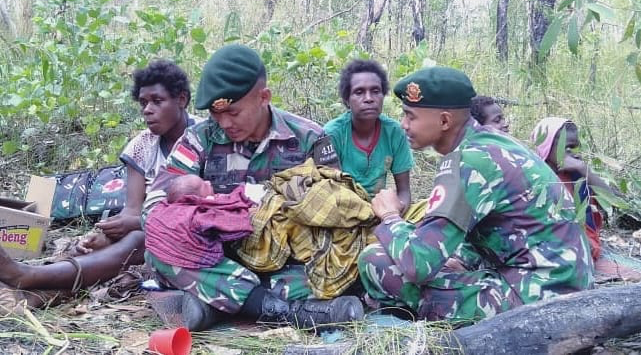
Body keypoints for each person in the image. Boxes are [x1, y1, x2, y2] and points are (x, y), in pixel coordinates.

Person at [143, 44, 364, 331]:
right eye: (215, 113)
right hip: (215, 256)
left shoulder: (309, 137)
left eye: (233, 112)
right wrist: (211, 216)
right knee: (158, 245)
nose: (224, 123)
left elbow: (338, 212)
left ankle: (218, 302)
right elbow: (154, 208)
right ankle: (281, 309)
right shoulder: (199, 138)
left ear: (264, 97)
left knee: (343, 263)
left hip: (285, 260)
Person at [357, 66, 593, 323]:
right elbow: (493, 226)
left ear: (445, 121)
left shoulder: (467, 161)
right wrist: (461, 259)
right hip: (564, 282)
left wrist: (390, 216)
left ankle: (416, 322)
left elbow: (418, 264)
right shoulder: (490, 142)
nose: (403, 124)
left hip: (542, 302)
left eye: (410, 116)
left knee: (376, 261)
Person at [0, 60, 199, 307]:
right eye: (143, 103)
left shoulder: (204, 138)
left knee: (137, 242)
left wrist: (135, 224)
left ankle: (25, 276)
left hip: (186, 235)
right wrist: (108, 233)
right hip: (146, 227)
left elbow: (203, 209)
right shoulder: (142, 145)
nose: (147, 109)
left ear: (181, 99)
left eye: (157, 101)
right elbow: (132, 209)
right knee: (95, 247)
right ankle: (36, 296)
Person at [323, 59, 413, 213]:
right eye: (359, 92)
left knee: (430, 213)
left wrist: (394, 215)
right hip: (344, 212)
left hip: (383, 212)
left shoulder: (394, 132)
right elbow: (330, 192)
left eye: (376, 91)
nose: (369, 98)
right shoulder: (332, 134)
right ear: (346, 100)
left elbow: (404, 191)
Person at [531, 117, 614, 262]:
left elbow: (611, 200)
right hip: (550, 242)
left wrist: (584, 169)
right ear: (546, 146)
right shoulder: (535, 177)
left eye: (574, 147)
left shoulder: (578, 175)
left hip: (584, 244)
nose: (571, 152)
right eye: (566, 147)